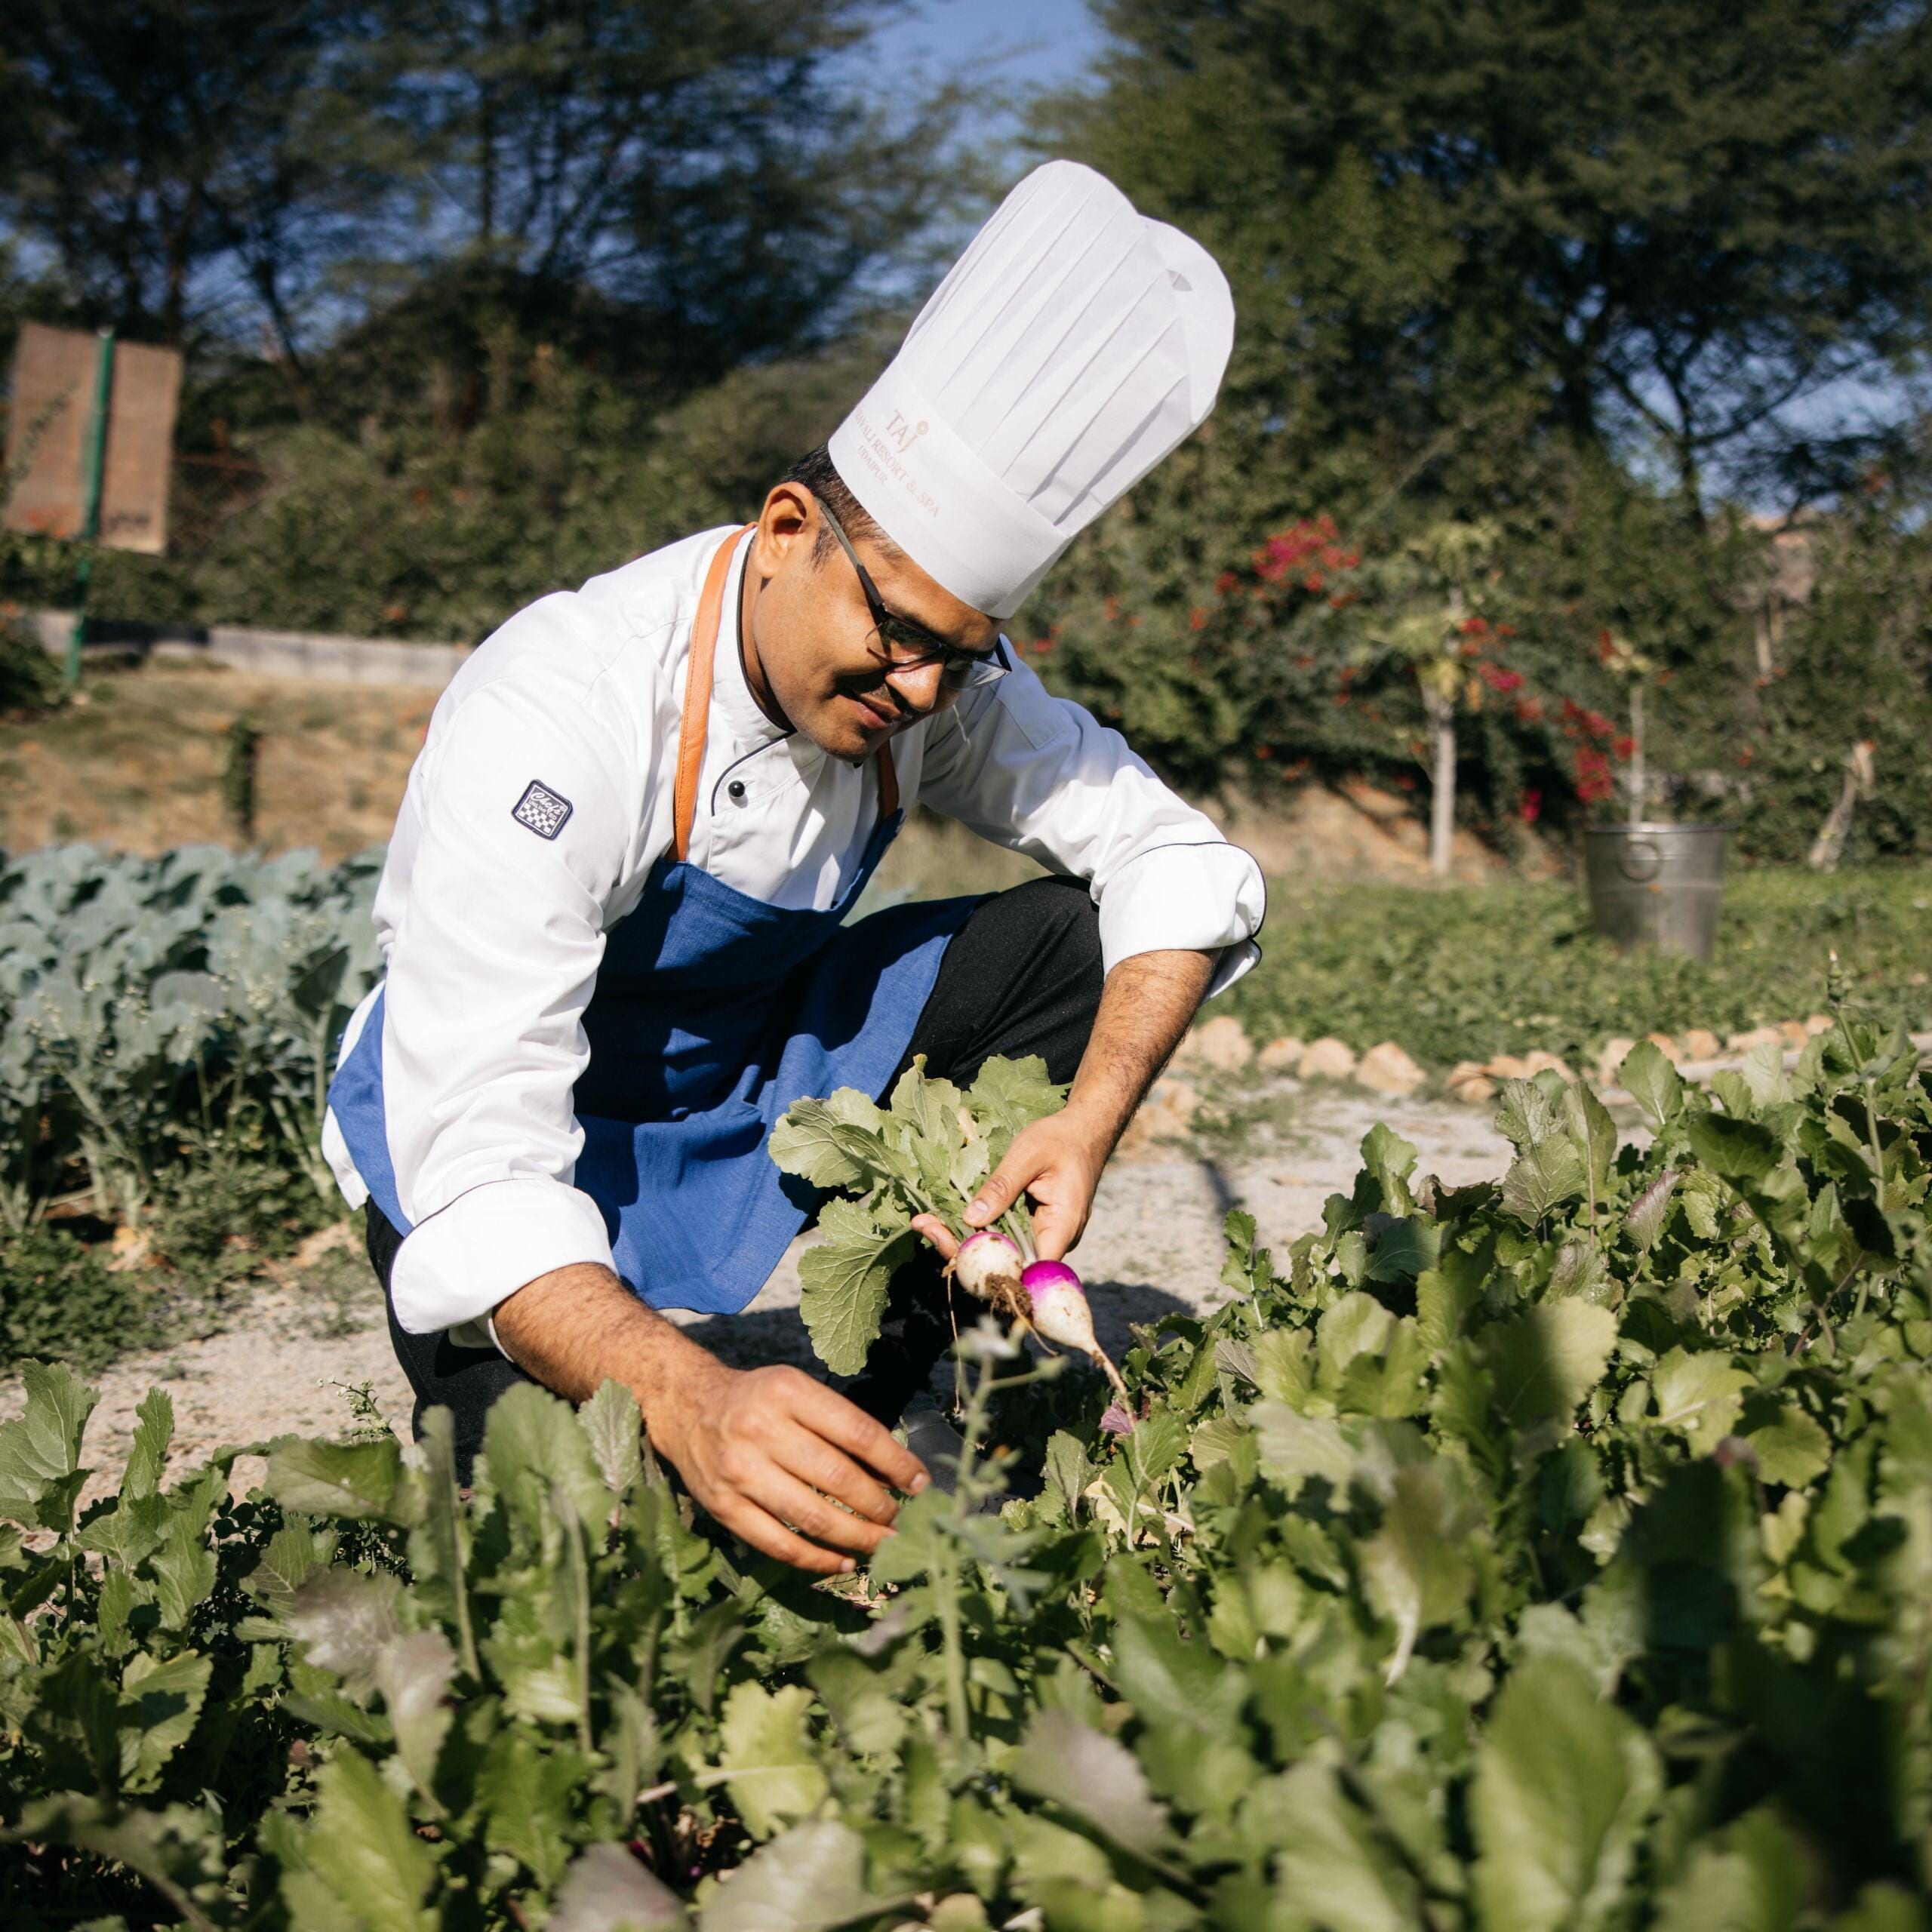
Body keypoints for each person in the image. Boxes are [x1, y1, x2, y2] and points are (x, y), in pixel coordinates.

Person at [323, 160, 1265, 1574]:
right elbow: (481, 1146)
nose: (925, 687)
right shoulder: (559, 708)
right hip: (498, 1116)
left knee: (1075, 942)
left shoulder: (935, 675)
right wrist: (691, 1395)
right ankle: (683, 1423)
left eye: (962, 650)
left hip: (739, 1077)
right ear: (784, 529)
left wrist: (1090, 1118)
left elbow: (1177, 859)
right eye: (898, 633)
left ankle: (906, 1400)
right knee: (564, 1546)